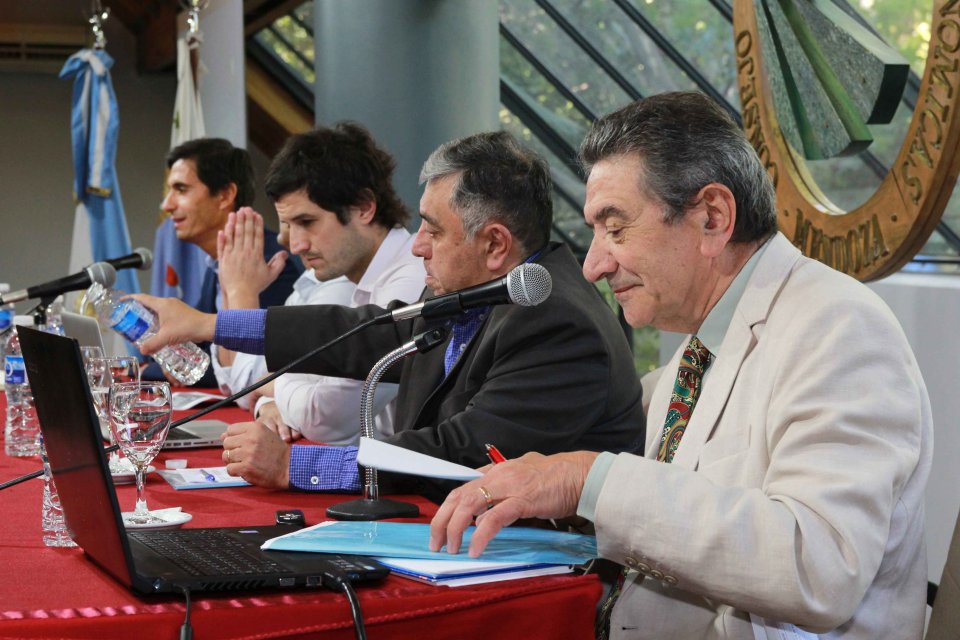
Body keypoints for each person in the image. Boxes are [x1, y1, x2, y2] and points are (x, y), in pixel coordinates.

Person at [428, 92, 933, 639]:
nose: (594, 265)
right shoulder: (696, 351)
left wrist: (587, 480)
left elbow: (820, 565)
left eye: (615, 227)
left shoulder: (840, 326)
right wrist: (563, 499)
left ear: (712, 218)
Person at [132, 130, 645, 504]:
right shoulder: (484, 287)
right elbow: (363, 334)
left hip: (543, 569)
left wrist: (296, 465)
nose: (417, 246)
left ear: (494, 244)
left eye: (433, 231)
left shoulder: (556, 322)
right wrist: (210, 324)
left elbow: (462, 452)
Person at [213, 123, 426, 441]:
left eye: (307, 222)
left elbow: (325, 418)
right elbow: (256, 387)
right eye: (289, 225)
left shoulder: (409, 282)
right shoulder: (358, 273)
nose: (296, 245)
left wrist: (274, 383)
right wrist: (269, 399)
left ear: (364, 207)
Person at [149, 138, 303, 385]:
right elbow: (195, 349)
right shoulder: (216, 262)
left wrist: (149, 371)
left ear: (225, 195)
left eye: (181, 189)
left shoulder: (268, 262)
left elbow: (254, 369)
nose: (167, 205)